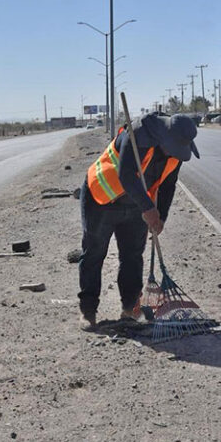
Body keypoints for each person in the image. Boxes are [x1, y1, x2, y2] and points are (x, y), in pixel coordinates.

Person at [78, 113, 200, 331]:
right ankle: (88, 311)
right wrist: (149, 209)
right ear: (164, 137)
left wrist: (160, 216)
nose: (173, 153)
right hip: (102, 198)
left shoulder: (177, 151)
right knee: (94, 253)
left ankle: (129, 307)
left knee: (133, 256)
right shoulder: (138, 136)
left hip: (136, 205)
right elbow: (126, 175)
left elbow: (168, 185)